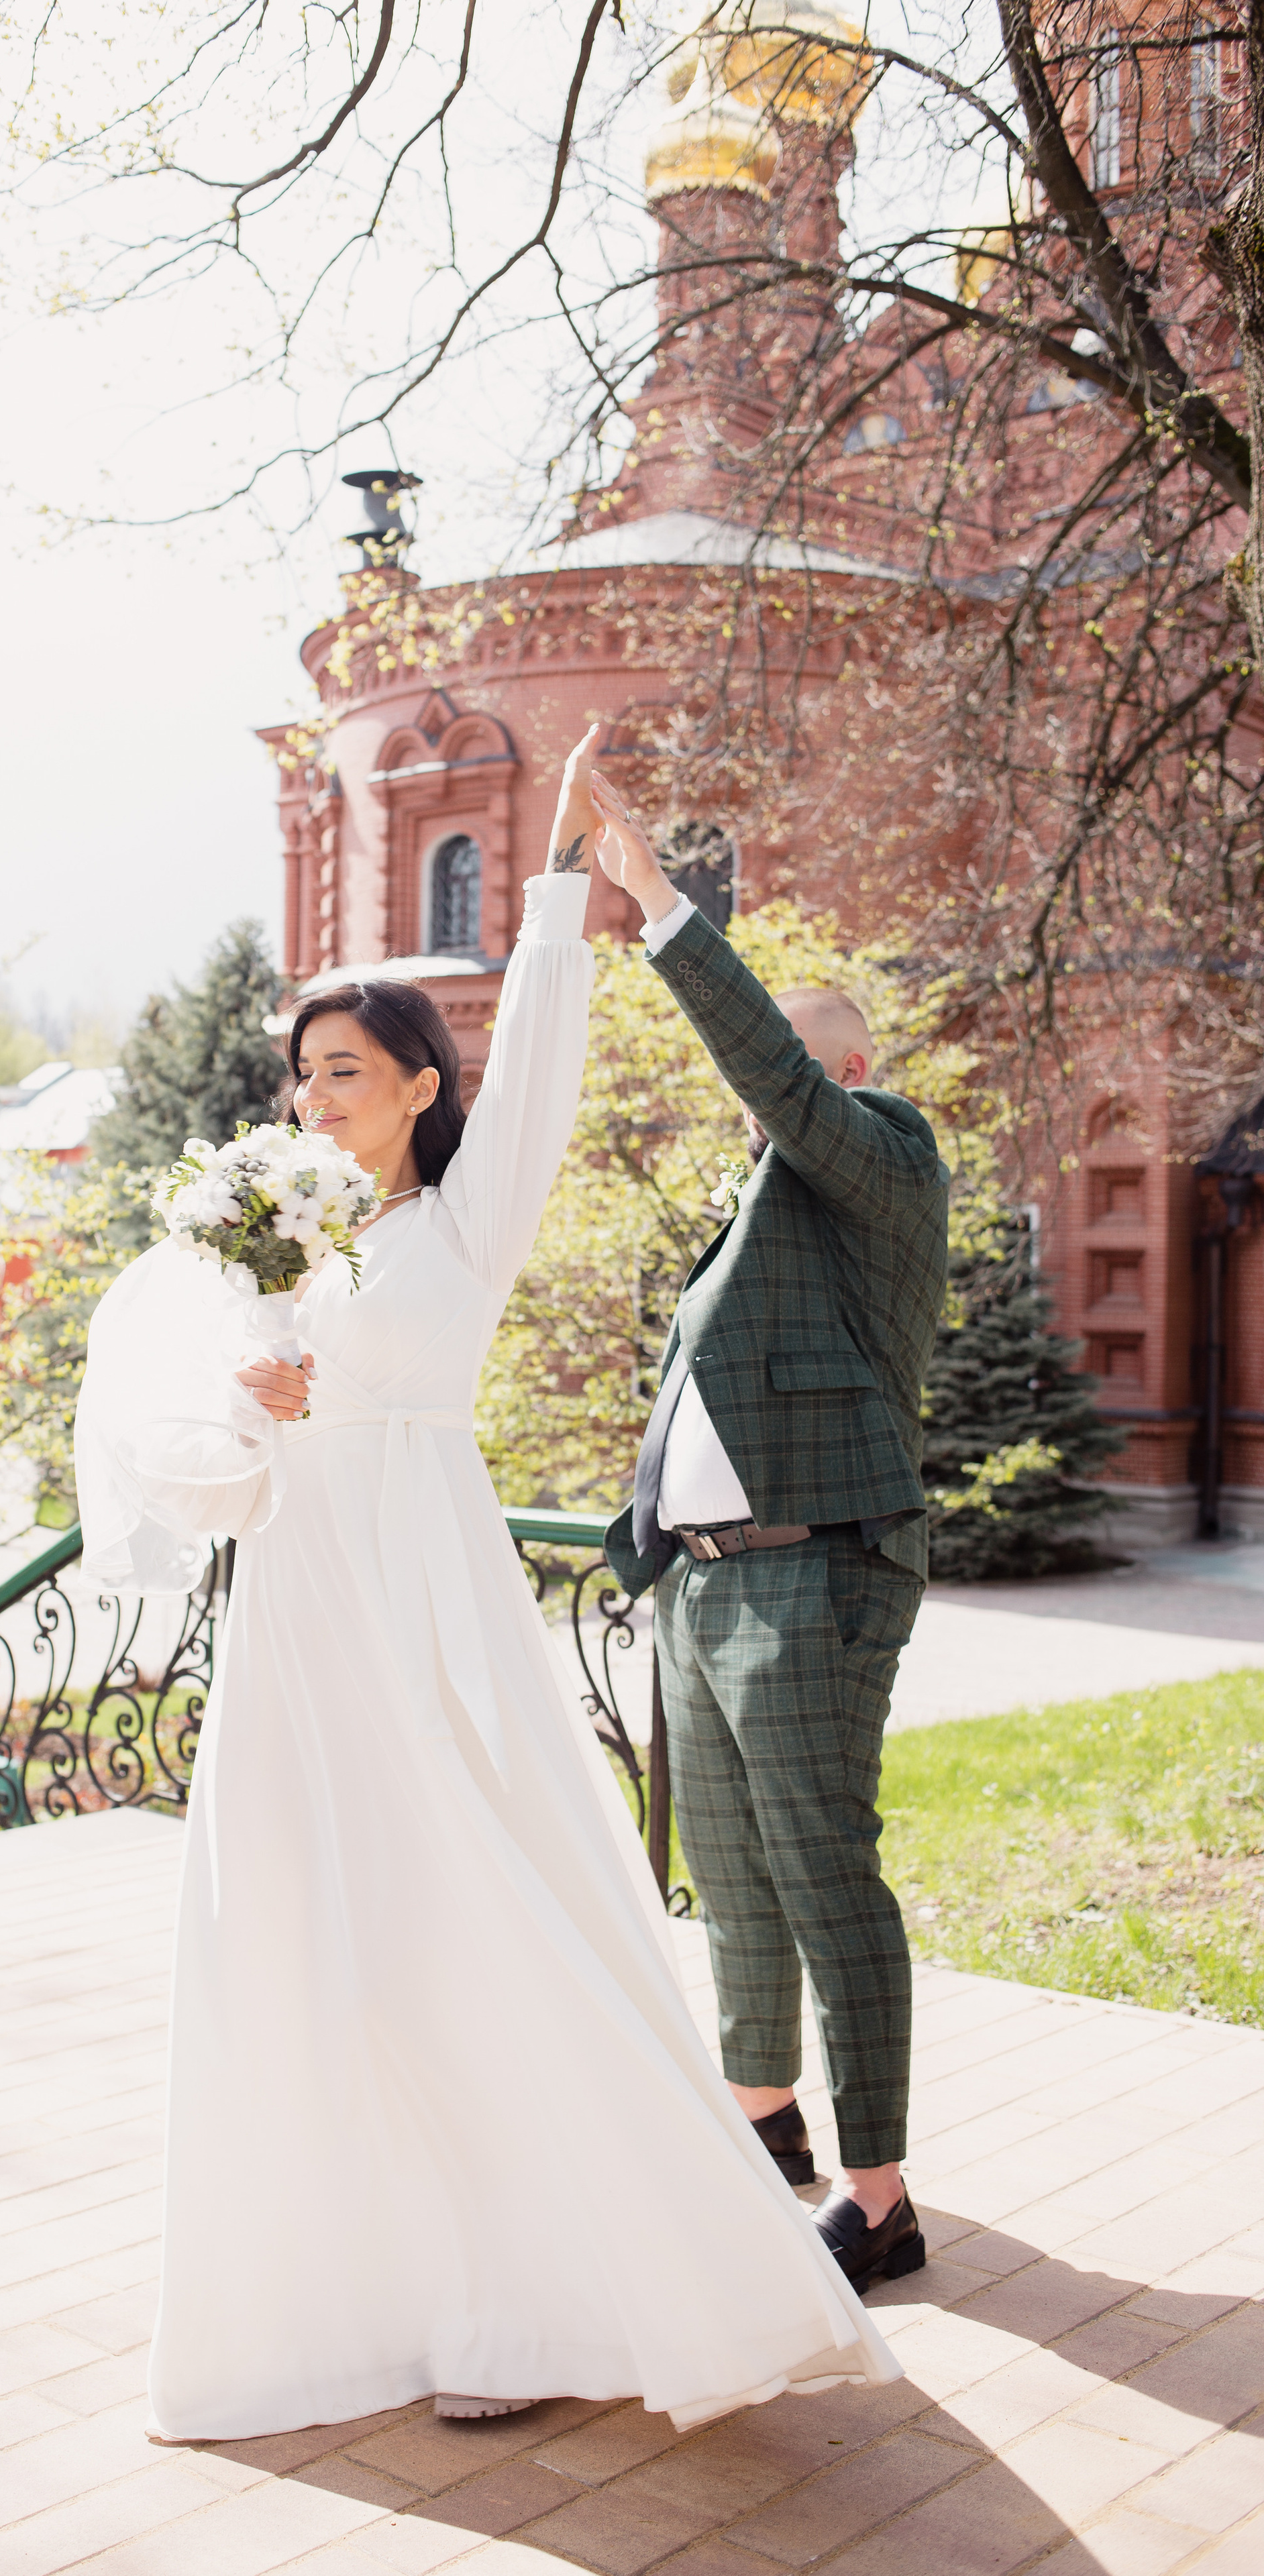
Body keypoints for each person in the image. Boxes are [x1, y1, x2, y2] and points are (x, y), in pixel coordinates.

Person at [74, 727, 898, 2443]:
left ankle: (524, 2303)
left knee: (469, 1921)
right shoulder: (276, 1233)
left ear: (417, 1087)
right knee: (300, 1931)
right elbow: (206, 1422)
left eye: (347, 1074)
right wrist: (255, 1388)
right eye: (301, 1075)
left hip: (425, 1588)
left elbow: (534, 1052)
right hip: (300, 1602)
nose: (313, 1101)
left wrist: (550, 866)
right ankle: (328, 2300)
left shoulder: (464, 1220)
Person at [592, 770, 949, 2296]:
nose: (761, 1089)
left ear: (847, 1061)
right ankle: (765, 2123)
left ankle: (878, 2194)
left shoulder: (878, 1151)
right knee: (731, 1882)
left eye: (785, 1060)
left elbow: (782, 1082)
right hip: (707, 1586)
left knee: (824, 1876)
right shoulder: (757, 1208)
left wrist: (652, 896)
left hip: (817, 1566)